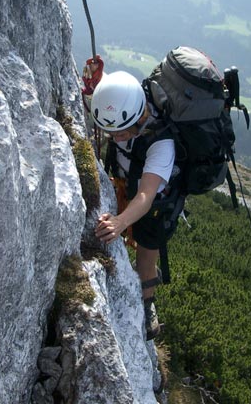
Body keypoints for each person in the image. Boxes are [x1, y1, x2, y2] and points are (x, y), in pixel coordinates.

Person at [91, 70, 181, 340]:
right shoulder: (125, 102)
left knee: (146, 253)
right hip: (125, 183)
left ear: (139, 117)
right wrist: (94, 80)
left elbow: (146, 195)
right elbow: (109, 96)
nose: (115, 138)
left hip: (155, 206)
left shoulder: (161, 144)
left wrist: (120, 222)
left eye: (121, 133)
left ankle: (147, 304)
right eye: (111, 132)